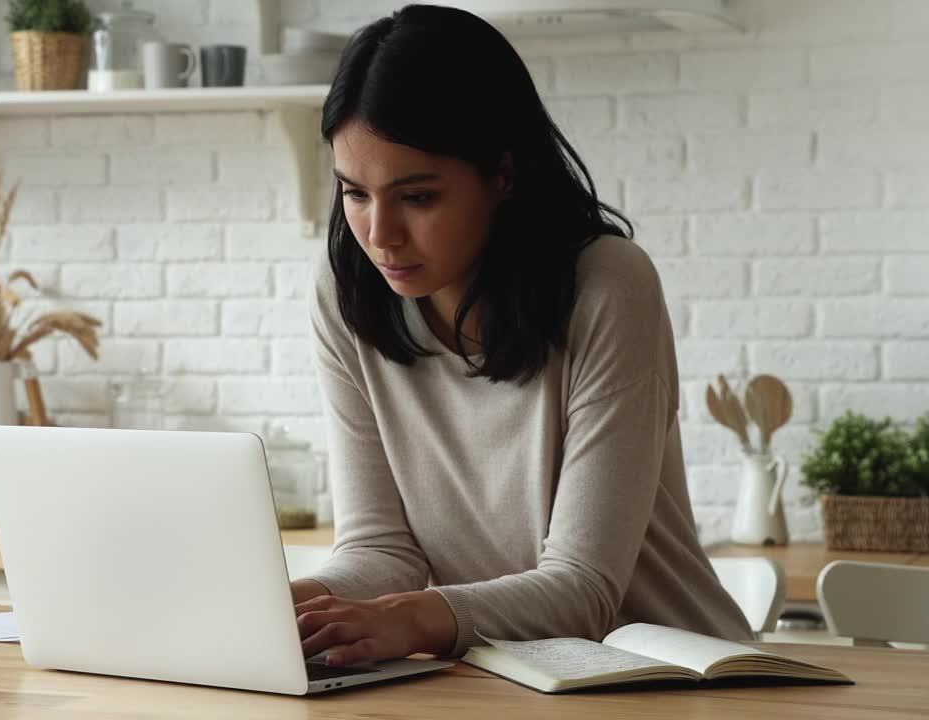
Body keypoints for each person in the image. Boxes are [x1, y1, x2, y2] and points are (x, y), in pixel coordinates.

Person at [291, 4, 751, 669]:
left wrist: (411, 618)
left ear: (503, 174)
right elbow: (381, 553)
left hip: (680, 681)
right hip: (508, 680)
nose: (379, 234)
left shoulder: (606, 284)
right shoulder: (345, 290)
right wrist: (287, 605)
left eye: (416, 197)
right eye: (354, 193)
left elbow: (585, 589)